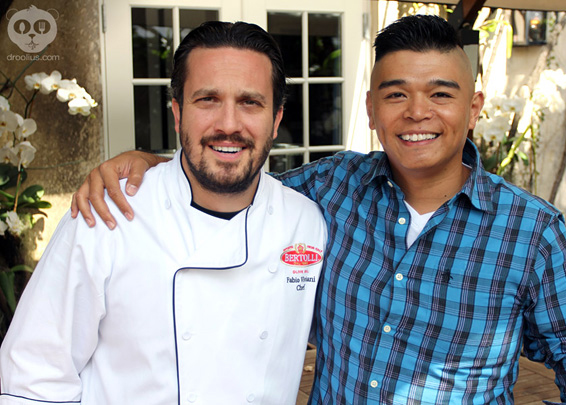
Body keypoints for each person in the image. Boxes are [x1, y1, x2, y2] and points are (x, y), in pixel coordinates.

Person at [72, 15, 566, 404]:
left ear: (473, 109)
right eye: (396, 95)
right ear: (372, 109)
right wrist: (152, 162)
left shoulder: (531, 232)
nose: (417, 112)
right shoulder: (331, 188)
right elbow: (232, 173)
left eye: (441, 95)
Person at [0, 21, 327, 404]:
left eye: (250, 102)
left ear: (275, 120)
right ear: (177, 113)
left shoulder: (307, 222)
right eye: (207, 100)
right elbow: (34, 374)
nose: (228, 125)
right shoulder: (108, 212)